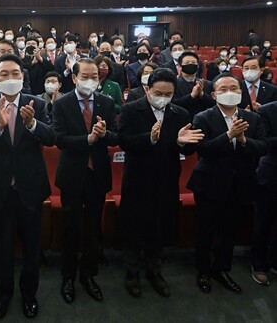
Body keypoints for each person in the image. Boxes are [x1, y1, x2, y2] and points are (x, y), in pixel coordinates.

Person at [0, 54, 56, 319]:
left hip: (30, 186)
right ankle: (3, 294)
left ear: (23, 77)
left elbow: (51, 137)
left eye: (15, 74)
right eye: (4, 74)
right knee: (1, 249)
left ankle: (29, 295)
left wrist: (31, 124)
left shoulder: (37, 103)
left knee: (32, 248)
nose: (10, 78)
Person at [118, 68, 203, 298]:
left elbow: (190, 146)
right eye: (158, 93)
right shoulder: (130, 110)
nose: (163, 97)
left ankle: (154, 271)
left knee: (159, 225)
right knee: (134, 227)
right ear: (147, 89)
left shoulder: (180, 113)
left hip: (166, 178)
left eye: (168, 94)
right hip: (138, 179)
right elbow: (124, 140)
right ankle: (132, 272)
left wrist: (181, 143)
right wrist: (150, 138)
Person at [187, 73, 268, 294]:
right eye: (223, 89)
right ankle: (203, 270)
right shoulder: (203, 117)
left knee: (229, 231)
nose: (229, 92)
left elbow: (262, 147)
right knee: (205, 230)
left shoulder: (254, 118)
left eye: (234, 88)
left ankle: (222, 268)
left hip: (241, 184)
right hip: (210, 183)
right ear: (213, 94)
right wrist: (228, 136)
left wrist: (243, 141)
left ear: (241, 93)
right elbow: (202, 149)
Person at [52, 58, 118, 305]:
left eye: (95, 77)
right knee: (69, 228)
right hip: (71, 174)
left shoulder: (107, 102)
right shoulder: (62, 103)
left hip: (97, 174)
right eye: (86, 76)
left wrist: (104, 134)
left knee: (93, 228)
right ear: (74, 78)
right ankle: (67, 276)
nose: (91, 81)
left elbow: (116, 136)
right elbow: (59, 139)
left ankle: (88, 275)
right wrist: (88, 139)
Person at [250, 100, 277, 285]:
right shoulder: (267, 110)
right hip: (271, 174)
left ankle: (275, 260)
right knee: (263, 221)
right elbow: (264, 142)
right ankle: (258, 264)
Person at [172, 51, 214, 120]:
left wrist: (202, 94)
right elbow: (173, 104)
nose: (190, 64)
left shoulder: (207, 84)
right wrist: (191, 96)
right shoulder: (174, 84)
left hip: (203, 121)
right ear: (180, 66)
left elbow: (213, 104)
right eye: (187, 63)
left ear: (197, 66)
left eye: (193, 63)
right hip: (180, 120)